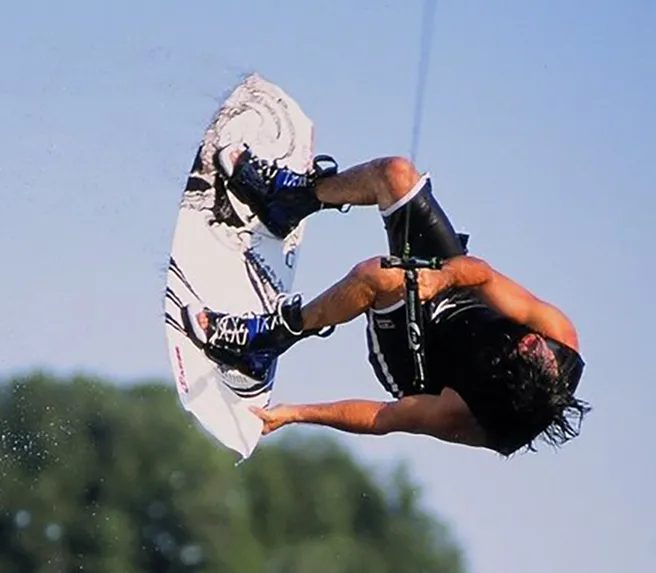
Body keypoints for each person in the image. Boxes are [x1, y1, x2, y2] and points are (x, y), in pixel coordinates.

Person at [181, 143, 590, 456]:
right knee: (394, 174)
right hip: (455, 291)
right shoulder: (558, 337)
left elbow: (385, 418)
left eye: (526, 352)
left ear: (508, 379)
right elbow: (481, 274)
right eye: (537, 347)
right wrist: (442, 278)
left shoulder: (472, 415)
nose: (530, 342)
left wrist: (295, 413)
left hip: (419, 361)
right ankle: (287, 201)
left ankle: (265, 343)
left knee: (377, 276)